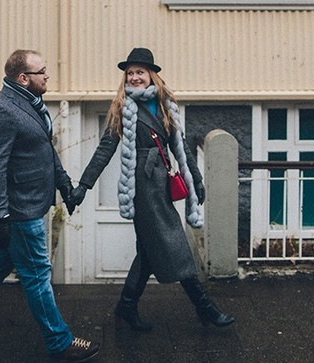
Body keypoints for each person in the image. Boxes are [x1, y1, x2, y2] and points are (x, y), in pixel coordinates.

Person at [0, 49, 100, 361]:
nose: (47, 76)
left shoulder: (28, 104)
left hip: (31, 205)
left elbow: (45, 151)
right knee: (39, 275)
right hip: (19, 212)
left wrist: (65, 187)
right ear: (23, 77)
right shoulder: (3, 112)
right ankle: (59, 341)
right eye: (42, 72)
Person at [69, 47, 234, 331]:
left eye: (139, 72)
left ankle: (126, 307)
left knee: (147, 253)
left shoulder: (166, 104)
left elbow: (180, 148)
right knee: (175, 243)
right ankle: (205, 308)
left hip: (161, 184)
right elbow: (105, 149)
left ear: (151, 75)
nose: (134, 77)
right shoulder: (123, 108)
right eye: (130, 73)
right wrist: (84, 185)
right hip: (143, 188)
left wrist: (195, 181)